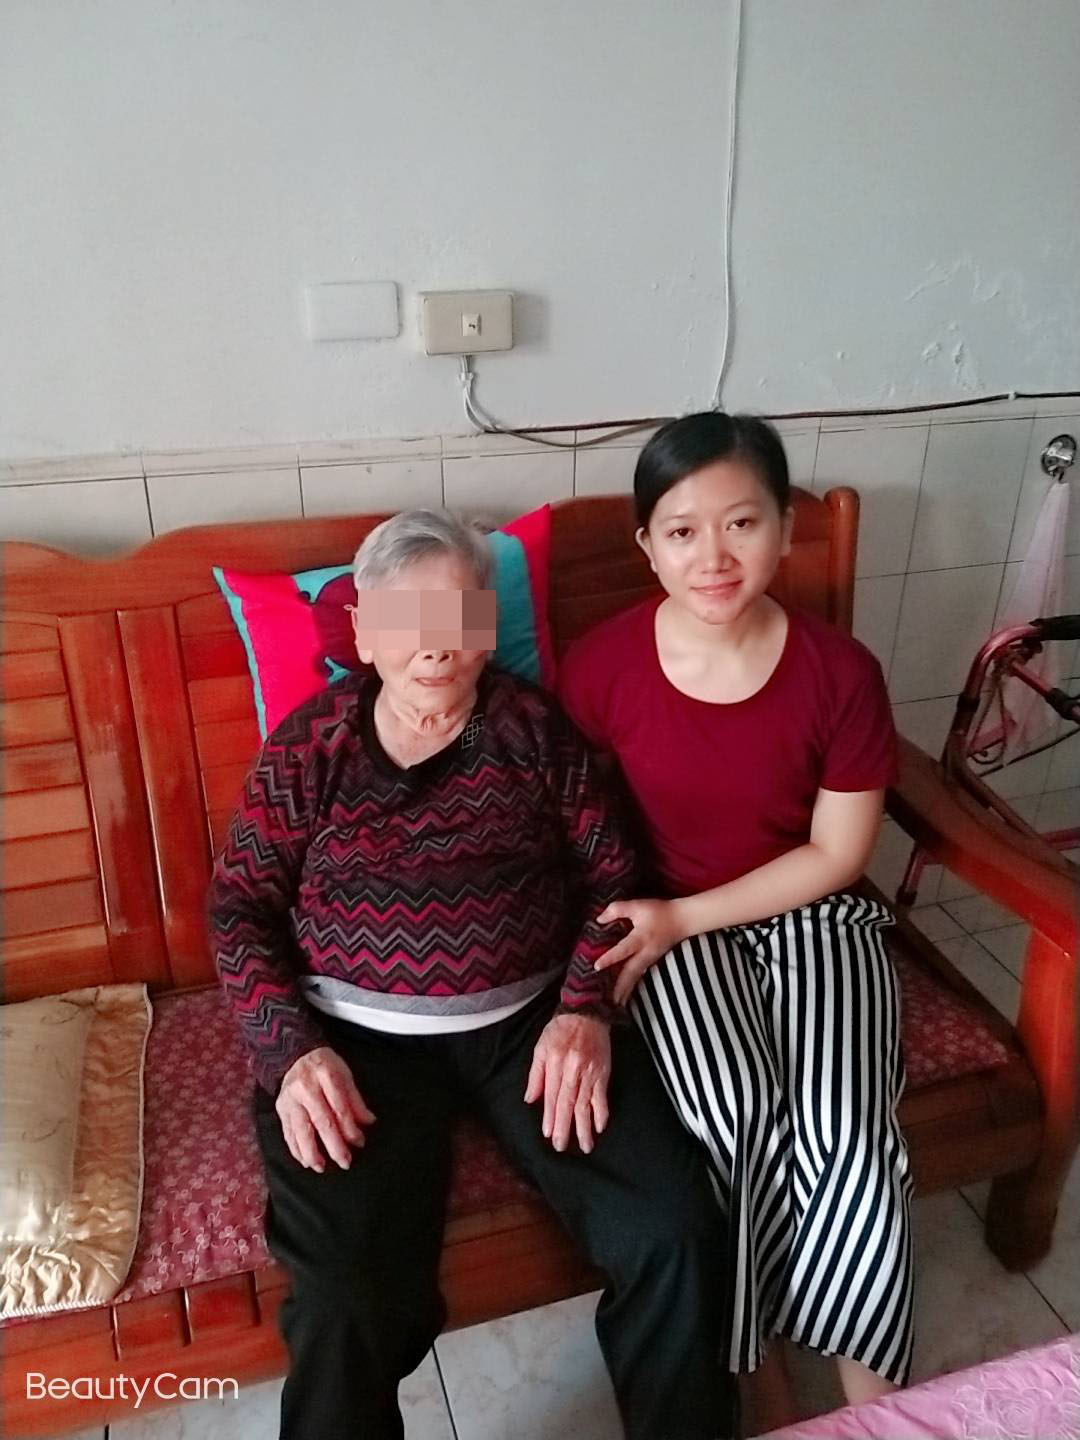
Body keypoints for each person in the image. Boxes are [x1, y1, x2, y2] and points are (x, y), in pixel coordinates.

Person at [207, 508, 736, 1440]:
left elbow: (614, 879)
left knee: (674, 1229)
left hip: (528, 1029)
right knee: (344, 1294)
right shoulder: (311, 748)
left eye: (457, 616)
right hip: (356, 1045)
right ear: (363, 629)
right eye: (406, 618)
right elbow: (239, 908)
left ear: (487, 628)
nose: (435, 644)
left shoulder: (533, 733)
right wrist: (291, 1053)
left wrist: (583, 1010)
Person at [558, 413, 913, 1434]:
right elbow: (573, 831)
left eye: (742, 523)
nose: (712, 556)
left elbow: (838, 855)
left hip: (811, 915)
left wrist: (687, 915)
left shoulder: (842, 672)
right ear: (647, 546)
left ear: (786, 530)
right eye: (682, 531)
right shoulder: (601, 669)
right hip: (663, 931)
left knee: (850, 1130)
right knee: (736, 1114)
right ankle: (757, 1366)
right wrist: (635, 937)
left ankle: (875, 1398)